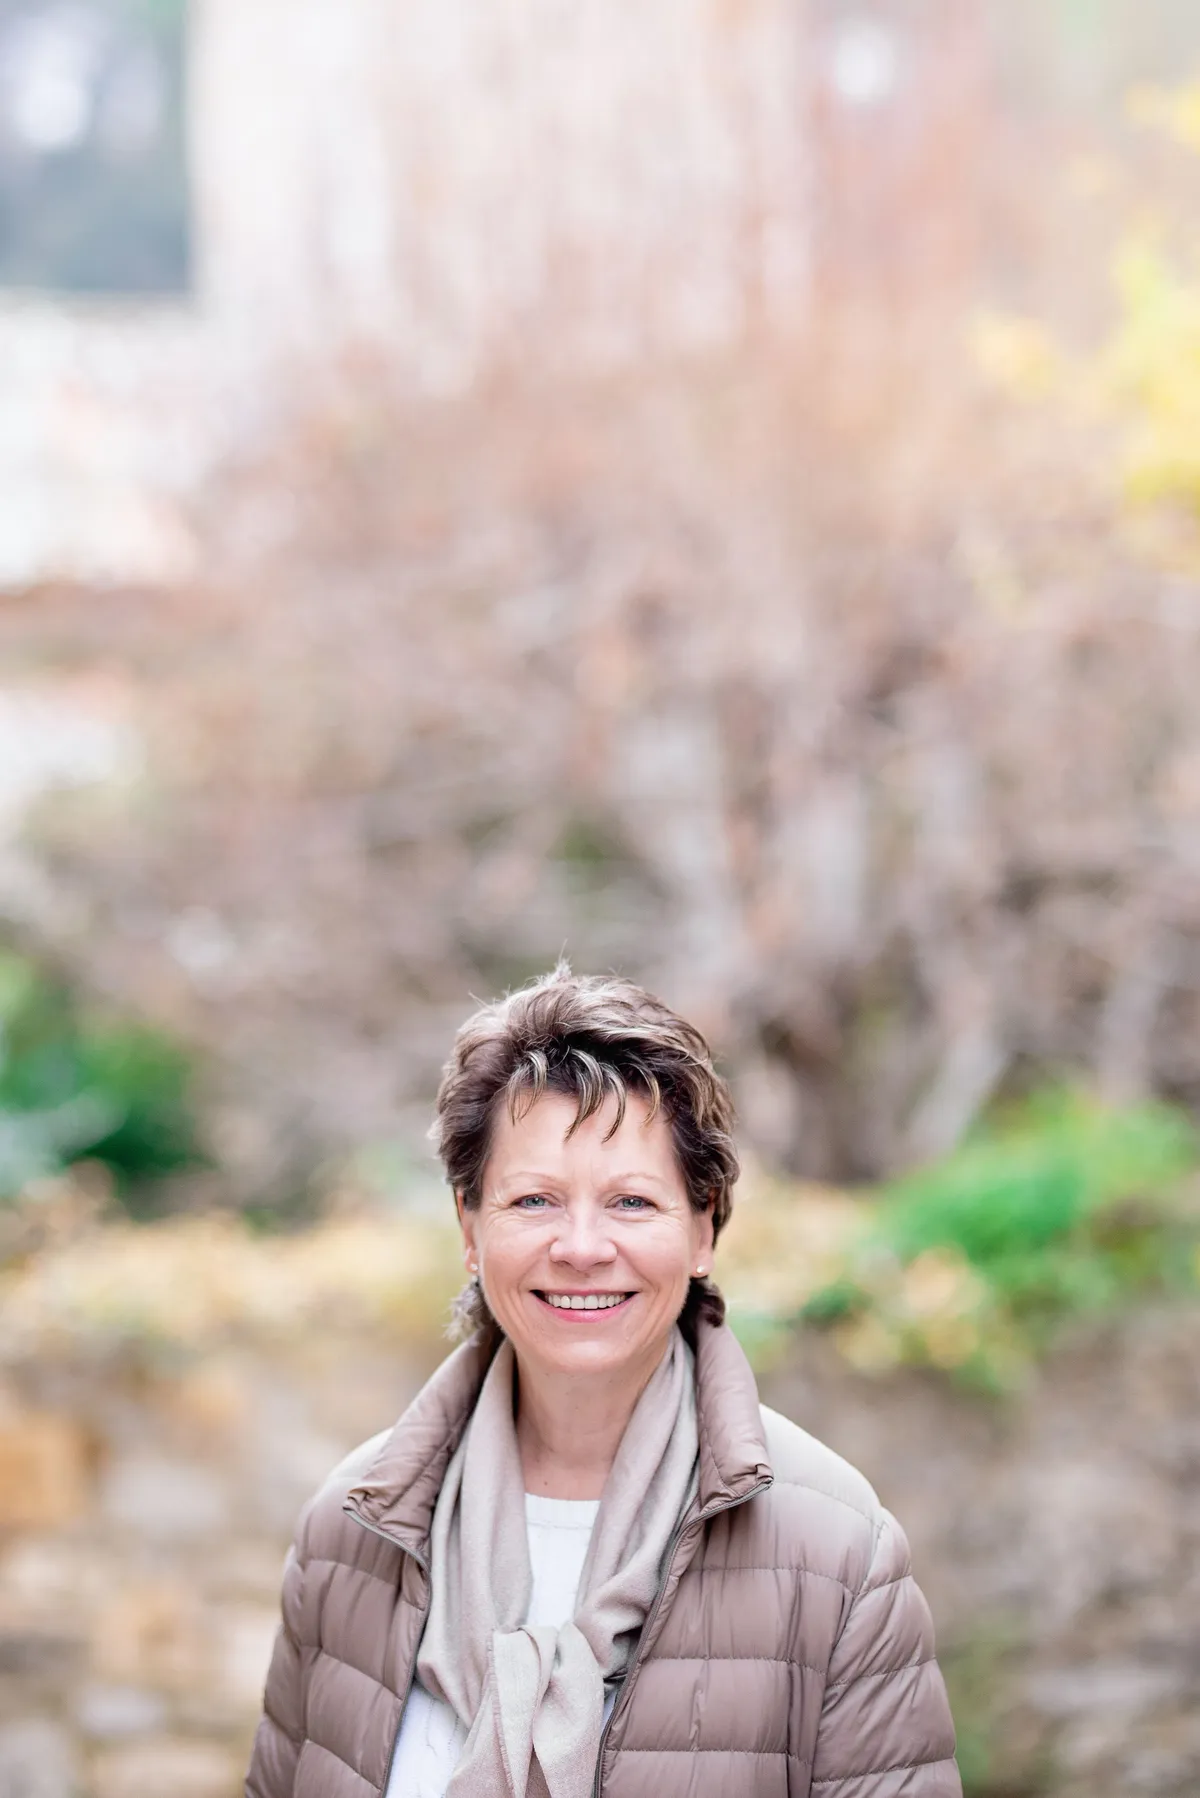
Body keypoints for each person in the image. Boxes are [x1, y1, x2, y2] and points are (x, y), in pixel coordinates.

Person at [246, 965, 961, 1798]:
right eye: (535, 1201)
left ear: (704, 1230)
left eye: (630, 1202)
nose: (581, 1247)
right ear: (469, 1228)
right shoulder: (350, 1534)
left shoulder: (837, 1552)